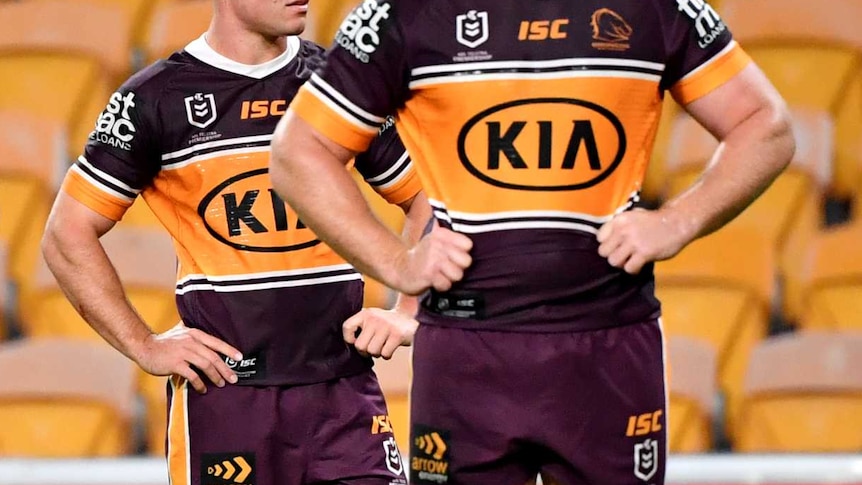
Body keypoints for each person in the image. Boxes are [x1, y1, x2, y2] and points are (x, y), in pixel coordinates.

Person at [268, 1, 796, 484]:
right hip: (464, 357)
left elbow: (764, 124)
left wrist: (678, 220)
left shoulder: (653, 8)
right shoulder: (402, 14)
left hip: (608, 349)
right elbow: (298, 153)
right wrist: (396, 262)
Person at [40, 1, 425, 484]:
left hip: (345, 395)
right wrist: (144, 345)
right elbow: (65, 234)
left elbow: (427, 199)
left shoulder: (341, 85)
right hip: (226, 403)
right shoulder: (153, 98)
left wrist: (407, 310)